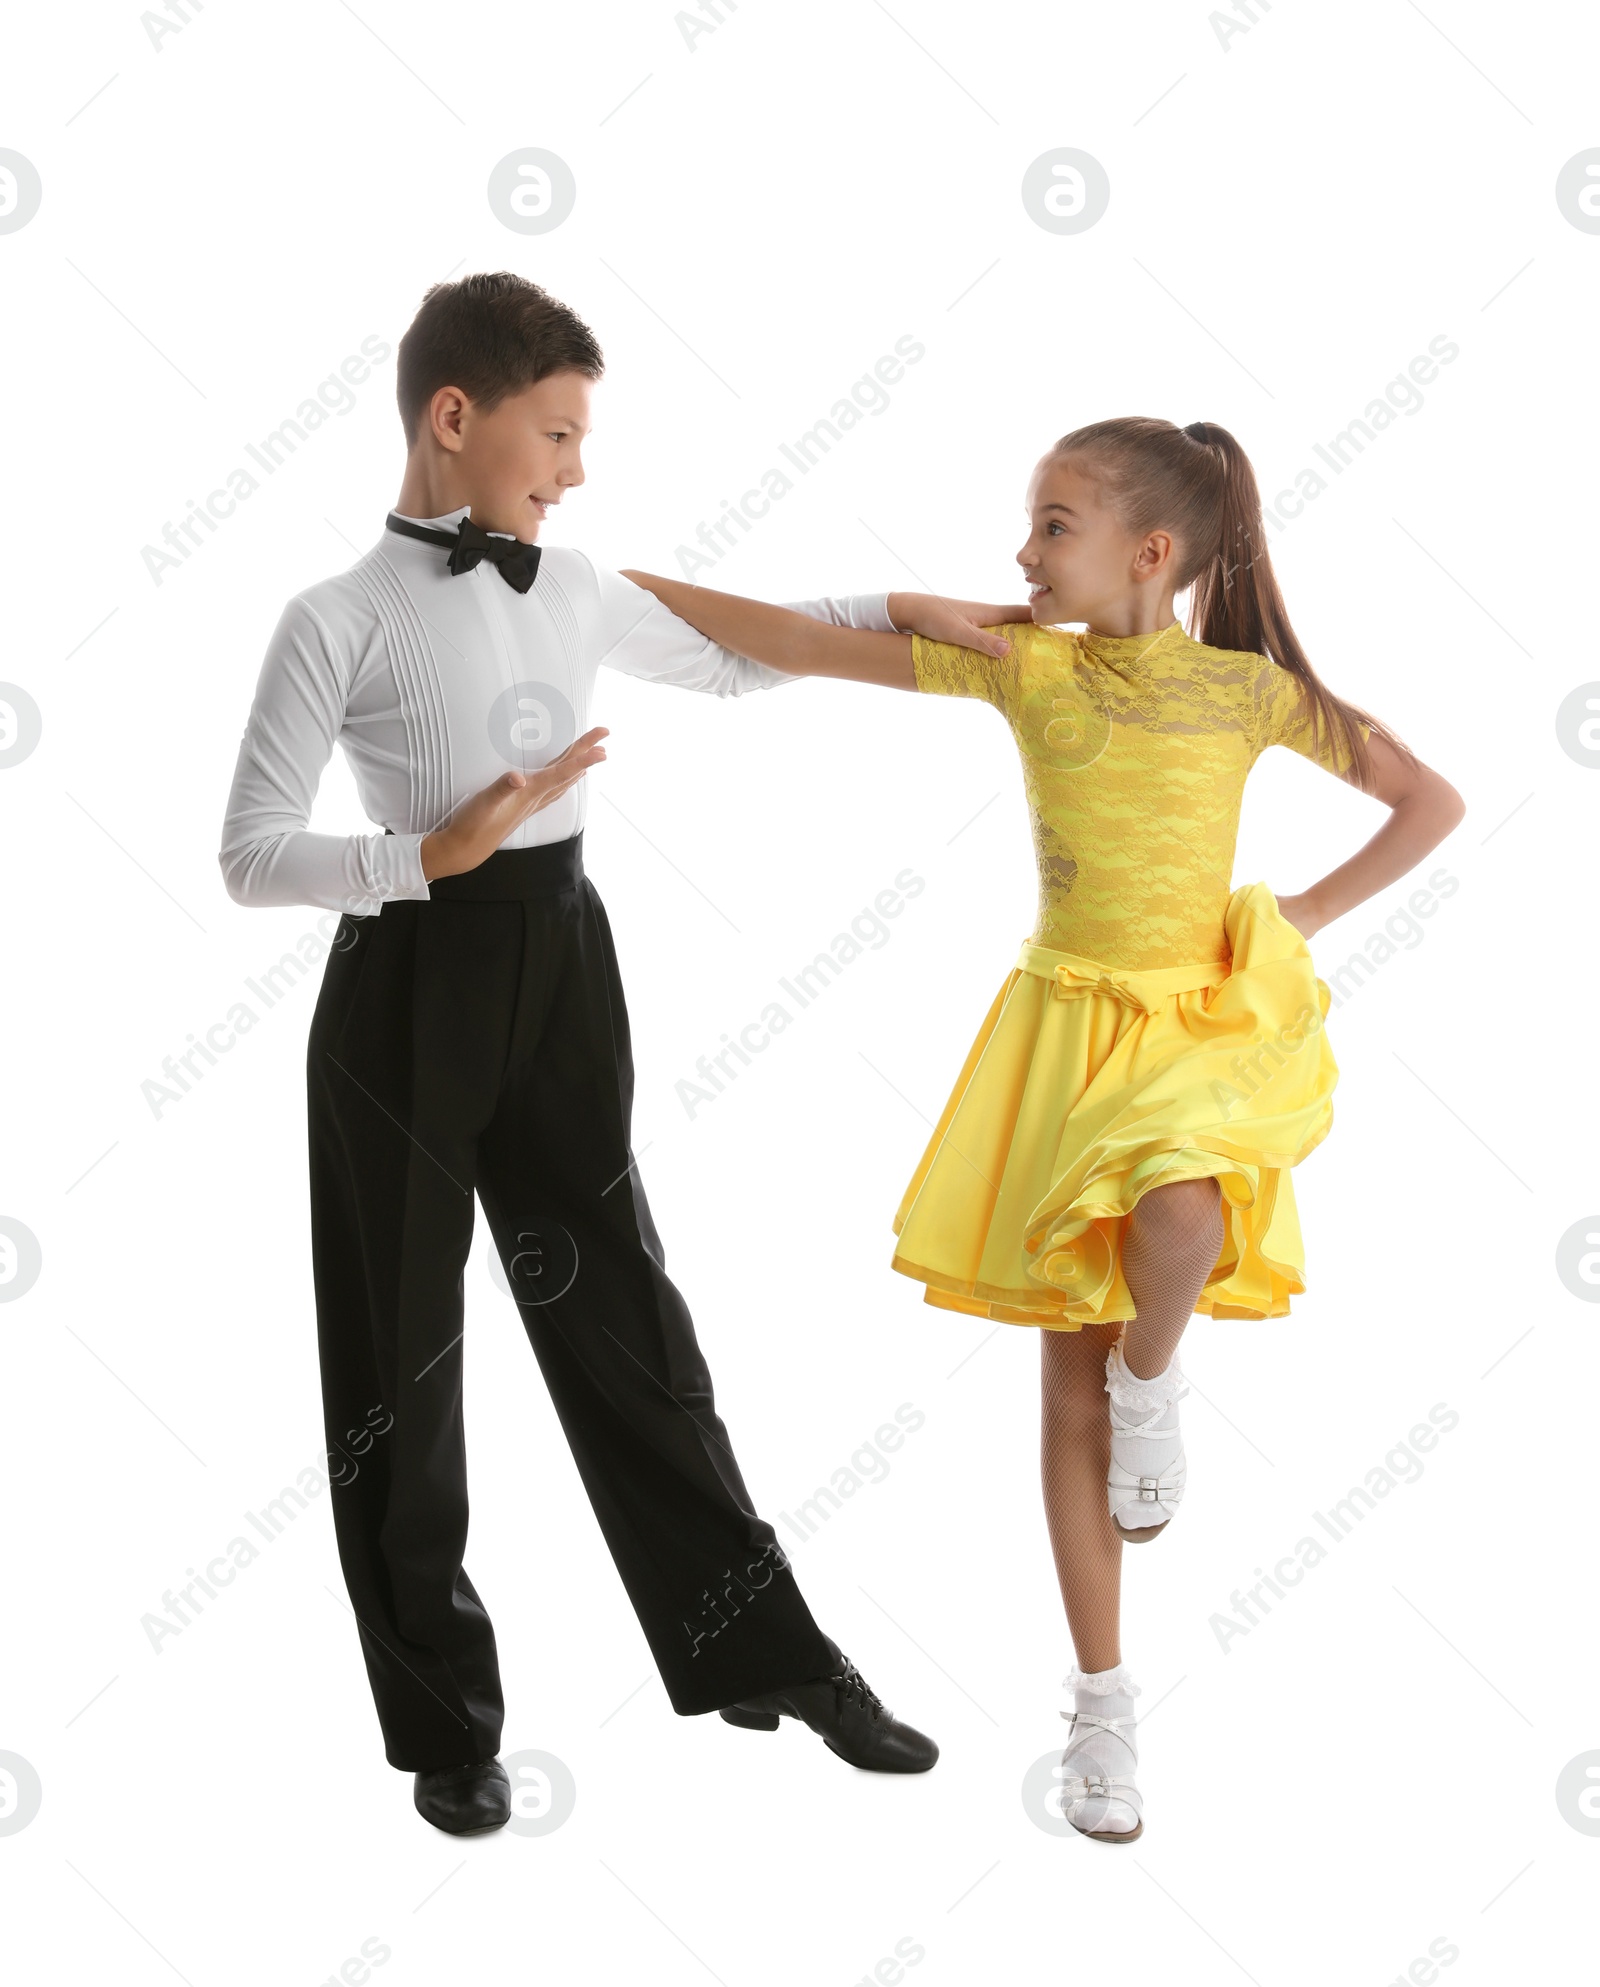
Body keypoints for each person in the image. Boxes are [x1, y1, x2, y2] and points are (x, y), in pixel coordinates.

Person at [216, 272, 1007, 1832]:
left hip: (563, 966)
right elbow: (247, 852)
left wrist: (910, 617)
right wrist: (425, 858)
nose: (575, 470)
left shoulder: (570, 584)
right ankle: (444, 1724)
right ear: (456, 420)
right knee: (398, 1358)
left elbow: (731, 649)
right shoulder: (335, 618)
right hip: (405, 991)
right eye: (556, 433)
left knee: (630, 1318)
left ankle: (763, 1651)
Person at [620, 413, 1466, 1842]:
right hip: (1069, 1035)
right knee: (1060, 1395)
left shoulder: (1249, 693)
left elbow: (1426, 798)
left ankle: (1157, 1381)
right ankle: (1104, 1708)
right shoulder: (1029, 667)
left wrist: (1303, 917)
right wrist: (590, 588)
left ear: (1150, 551)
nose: (1023, 553)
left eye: (1054, 526)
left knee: (1185, 1219)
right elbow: (792, 647)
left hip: (1193, 1026)